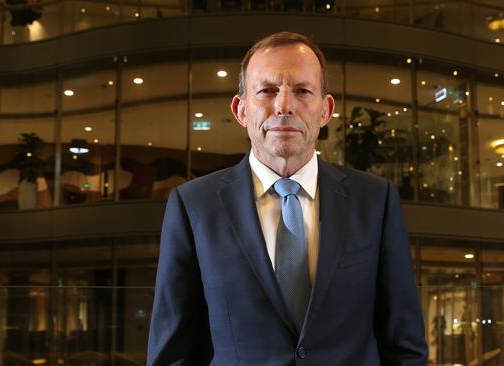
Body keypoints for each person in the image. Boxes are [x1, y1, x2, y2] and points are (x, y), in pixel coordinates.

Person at [147, 32, 428, 365]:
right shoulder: (193, 206)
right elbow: (172, 352)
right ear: (240, 109)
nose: (283, 106)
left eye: (302, 91)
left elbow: (404, 344)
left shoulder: (375, 201)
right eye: (266, 90)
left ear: (325, 110)